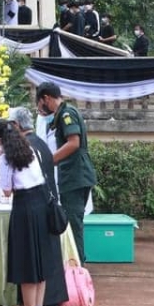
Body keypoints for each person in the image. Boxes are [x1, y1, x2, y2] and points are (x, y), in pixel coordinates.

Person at [0, 118, 63, 306]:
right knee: (41, 261)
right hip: (41, 205)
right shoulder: (30, 150)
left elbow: (6, 190)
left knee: (27, 264)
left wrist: (0, 163)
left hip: (24, 208)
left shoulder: (6, 159)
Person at [8, 107, 68, 306]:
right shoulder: (40, 143)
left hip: (32, 206)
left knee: (29, 262)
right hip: (47, 206)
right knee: (45, 259)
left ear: (16, 125)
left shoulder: (24, 147)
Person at [36, 82, 96, 264]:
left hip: (75, 176)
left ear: (46, 98)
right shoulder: (64, 113)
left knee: (72, 225)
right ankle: (75, 265)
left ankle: (77, 268)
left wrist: (49, 161)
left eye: (40, 104)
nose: (41, 109)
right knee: (73, 223)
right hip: (74, 175)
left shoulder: (66, 114)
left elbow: (73, 143)